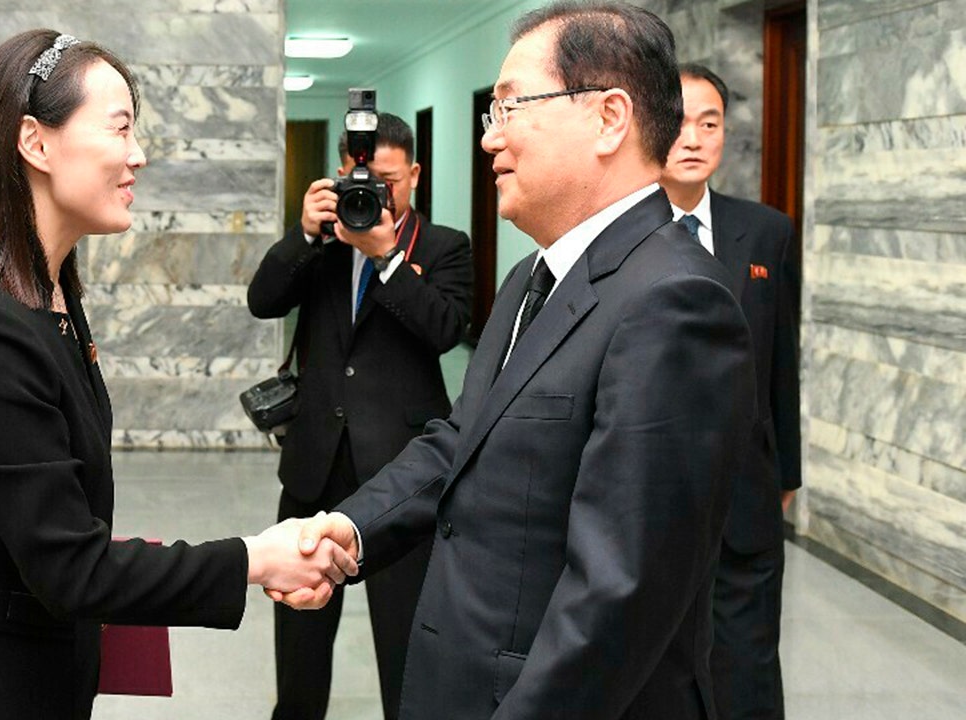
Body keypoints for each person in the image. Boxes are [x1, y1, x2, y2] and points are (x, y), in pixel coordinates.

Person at [283, 3, 758, 718]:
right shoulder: (531, 278)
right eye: (491, 113)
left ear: (609, 118)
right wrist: (349, 529)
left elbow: (618, 597)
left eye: (511, 107)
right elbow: (463, 440)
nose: (490, 137)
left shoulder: (676, 301)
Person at [0, 30, 356, 720]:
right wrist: (256, 557)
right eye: (120, 127)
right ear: (35, 142)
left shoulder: (51, 298)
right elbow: (71, 567)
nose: (138, 155)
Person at [248, 113, 473, 720]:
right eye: (362, 178)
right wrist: (303, 233)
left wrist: (388, 258)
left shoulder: (444, 245)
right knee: (299, 643)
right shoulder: (323, 244)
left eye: (389, 181)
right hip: (316, 461)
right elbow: (262, 301)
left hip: (403, 471)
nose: (374, 193)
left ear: (415, 175)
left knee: (404, 638)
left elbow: (446, 329)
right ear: (342, 171)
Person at [659, 63, 801, 720]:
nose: (693, 138)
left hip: (745, 496)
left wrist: (785, 472)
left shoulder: (767, 231)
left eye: (709, 123)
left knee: (747, 674)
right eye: (679, 122)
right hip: (650, 498)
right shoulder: (613, 232)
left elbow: (780, 361)